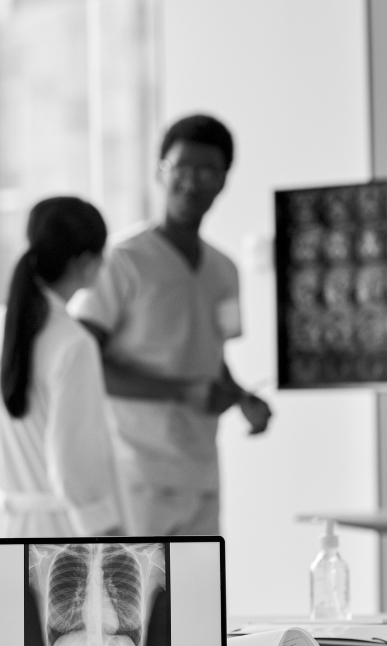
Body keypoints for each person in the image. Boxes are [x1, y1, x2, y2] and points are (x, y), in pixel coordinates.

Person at [69, 114, 273, 536]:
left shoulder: (224, 271)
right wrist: (182, 392)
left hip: (199, 470)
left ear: (223, 181)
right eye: (181, 168)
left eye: (207, 171)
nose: (192, 182)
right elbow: (83, 364)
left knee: (199, 598)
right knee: (136, 600)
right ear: (159, 172)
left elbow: (211, 357)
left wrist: (241, 399)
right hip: (136, 473)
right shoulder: (122, 261)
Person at [0, 196, 123, 538]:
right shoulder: (73, 344)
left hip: (3, 528)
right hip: (60, 543)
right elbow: (76, 468)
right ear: (86, 262)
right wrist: (109, 533)